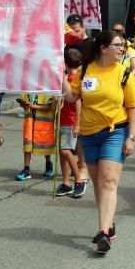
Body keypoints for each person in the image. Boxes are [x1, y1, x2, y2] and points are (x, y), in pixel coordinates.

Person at [62, 30, 135, 254]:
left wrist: (131, 137)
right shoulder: (86, 70)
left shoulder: (124, 73)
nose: (122, 49)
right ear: (103, 48)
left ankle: (103, 233)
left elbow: (134, 106)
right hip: (89, 136)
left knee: (108, 181)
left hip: (114, 133)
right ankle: (109, 223)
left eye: (123, 46)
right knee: (99, 184)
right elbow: (71, 97)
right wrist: (61, 76)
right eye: (118, 45)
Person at [57, 46, 87, 198]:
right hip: (63, 121)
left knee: (65, 151)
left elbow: (78, 103)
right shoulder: (67, 79)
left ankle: (79, 180)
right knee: (62, 153)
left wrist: (76, 124)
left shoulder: (73, 80)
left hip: (70, 122)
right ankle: (66, 182)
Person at [16, 93, 57, 180]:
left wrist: (32, 106)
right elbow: (23, 105)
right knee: (27, 144)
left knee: (44, 144)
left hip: (43, 123)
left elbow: (49, 107)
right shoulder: (28, 89)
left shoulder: (47, 89)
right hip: (30, 121)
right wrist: (23, 105)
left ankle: (48, 163)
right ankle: (26, 169)